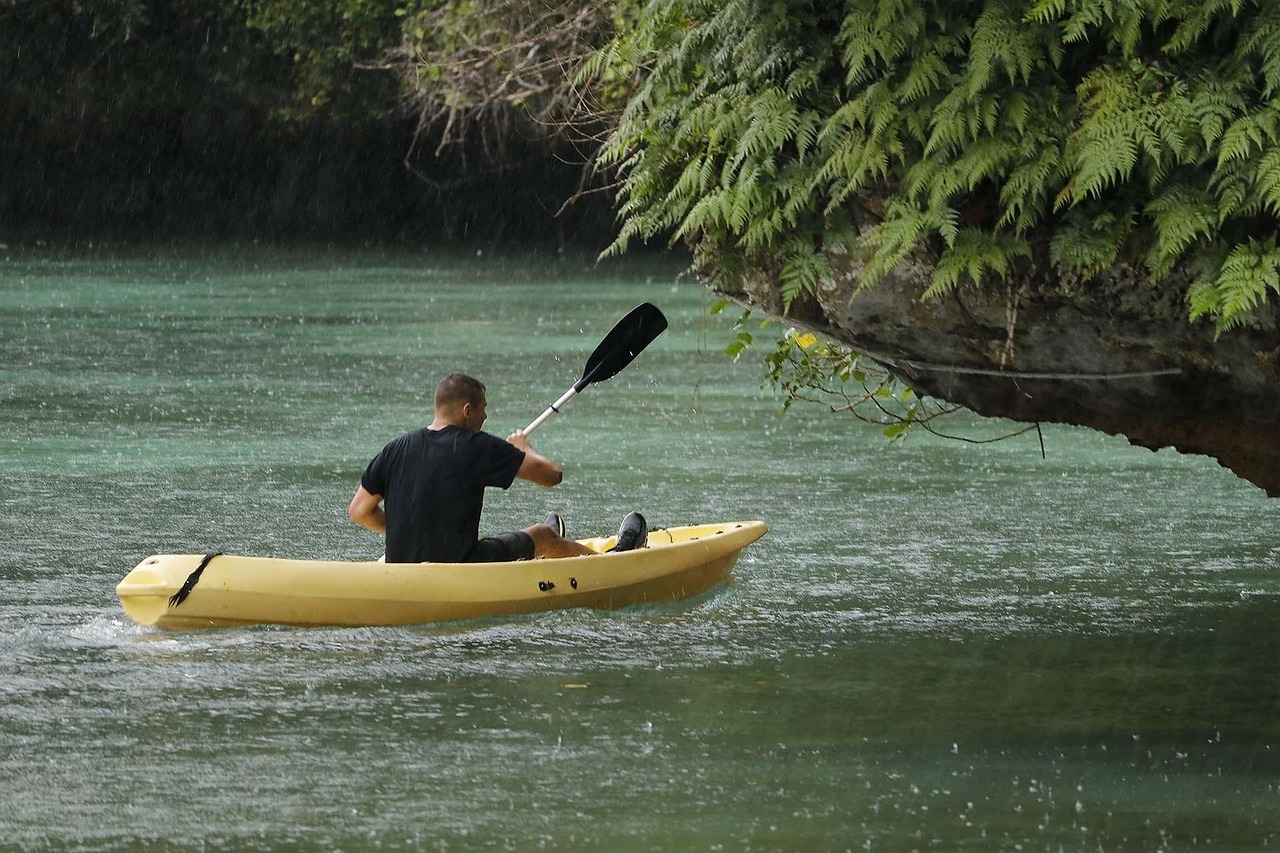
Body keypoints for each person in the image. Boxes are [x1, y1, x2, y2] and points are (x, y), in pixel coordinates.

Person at [348, 373, 646, 563]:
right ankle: (613, 564)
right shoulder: (476, 445)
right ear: (467, 410)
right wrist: (523, 448)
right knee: (542, 534)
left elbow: (359, 511)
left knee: (490, 539)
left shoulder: (395, 448)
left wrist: (413, 530)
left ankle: (539, 556)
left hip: (401, 566)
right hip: (463, 567)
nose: (486, 417)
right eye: (484, 408)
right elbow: (552, 475)